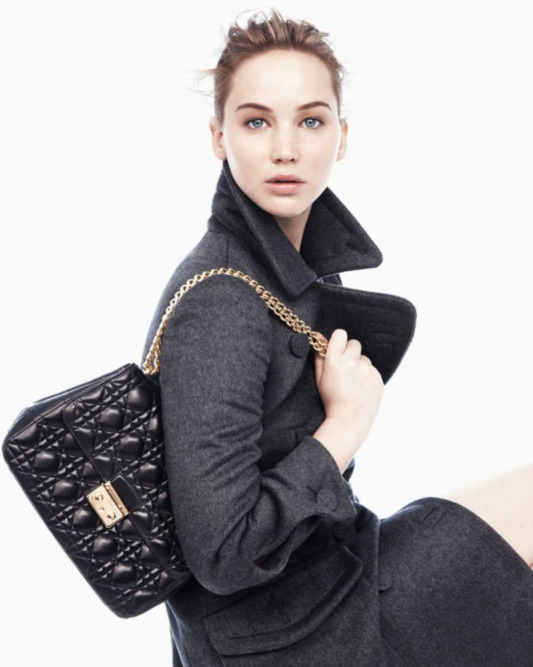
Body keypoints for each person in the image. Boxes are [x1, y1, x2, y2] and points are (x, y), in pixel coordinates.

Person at [141, 9, 533, 666]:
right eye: (256, 121)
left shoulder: (289, 271)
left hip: (327, 586)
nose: (285, 149)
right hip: (288, 638)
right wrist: (343, 428)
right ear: (218, 137)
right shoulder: (221, 301)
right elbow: (223, 552)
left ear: (341, 136)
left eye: (311, 121)